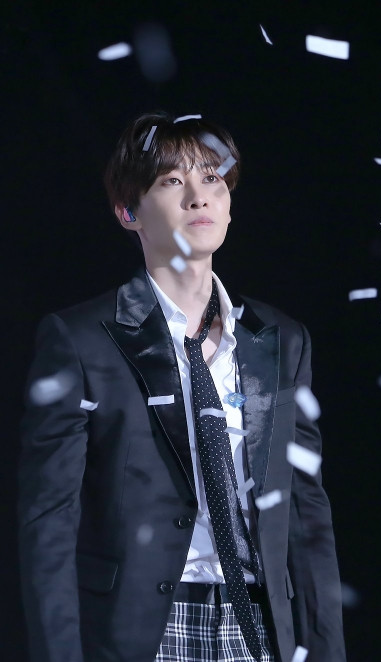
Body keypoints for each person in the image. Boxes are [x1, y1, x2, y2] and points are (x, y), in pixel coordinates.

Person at [18, 111, 346, 662]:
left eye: (212, 178)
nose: (199, 197)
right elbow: (49, 521)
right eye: (173, 181)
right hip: (143, 631)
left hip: (259, 627)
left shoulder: (281, 340)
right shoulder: (80, 339)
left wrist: (326, 649)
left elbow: (306, 513)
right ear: (129, 213)